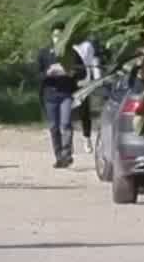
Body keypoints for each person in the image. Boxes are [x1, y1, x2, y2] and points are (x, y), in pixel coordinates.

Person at [37, 25, 86, 169]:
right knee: (53, 127)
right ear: (51, 36)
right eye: (55, 35)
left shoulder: (72, 53)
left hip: (67, 93)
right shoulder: (44, 53)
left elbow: (82, 72)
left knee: (65, 124)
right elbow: (36, 74)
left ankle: (67, 154)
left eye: (61, 35)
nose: (57, 38)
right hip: (49, 94)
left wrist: (71, 73)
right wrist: (48, 73)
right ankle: (58, 156)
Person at [74, 35, 102, 153]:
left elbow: (93, 61)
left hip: (83, 81)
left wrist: (97, 78)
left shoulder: (87, 46)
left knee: (84, 112)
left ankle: (87, 138)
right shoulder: (67, 45)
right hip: (68, 80)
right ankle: (67, 142)